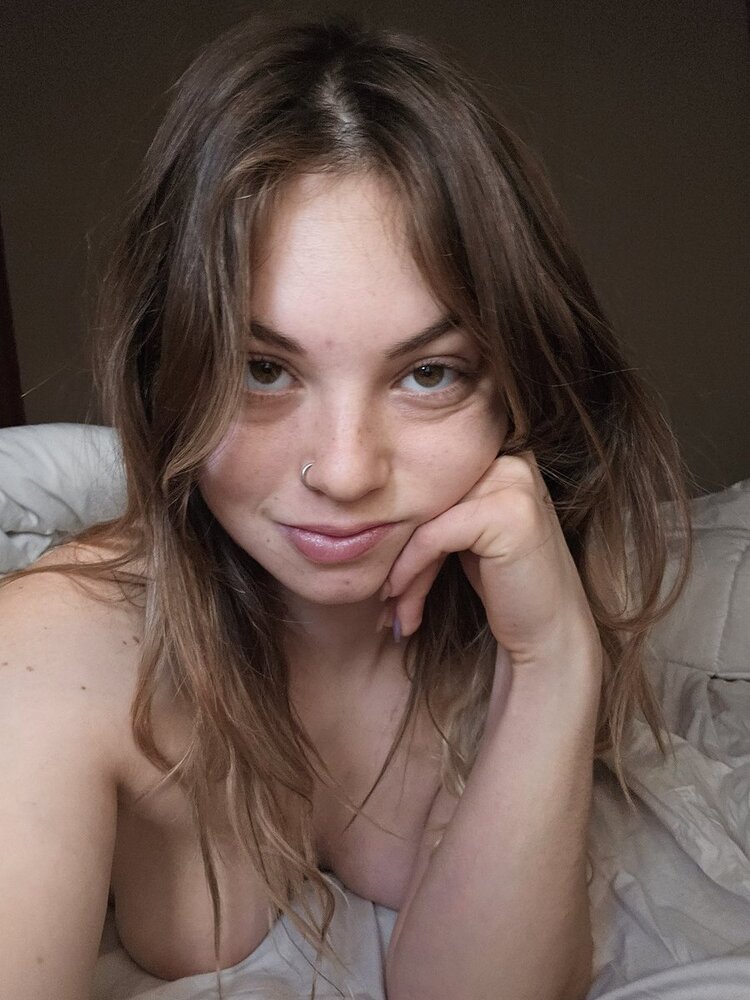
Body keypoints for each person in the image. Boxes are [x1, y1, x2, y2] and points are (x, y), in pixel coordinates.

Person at [0, 13, 692, 1000]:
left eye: (429, 373)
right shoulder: (53, 650)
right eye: (263, 368)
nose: (344, 470)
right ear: (166, 371)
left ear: (515, 389)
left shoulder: (529, 576)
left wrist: (553, 662)